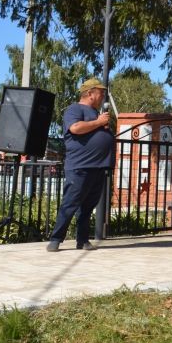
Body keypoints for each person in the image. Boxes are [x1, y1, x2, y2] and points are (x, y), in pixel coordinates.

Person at [46, 78, 115, 252]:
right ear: (90, 93)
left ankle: (82, 240)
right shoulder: (74, 109)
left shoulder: (96, 113)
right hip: (80, 166)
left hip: (98, 167)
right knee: (70, 203)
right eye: (101, 92)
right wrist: (99, 123)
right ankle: (56, 239)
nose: (103, 96)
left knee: (88, 206)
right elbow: (76, 128)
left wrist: (102, 127)